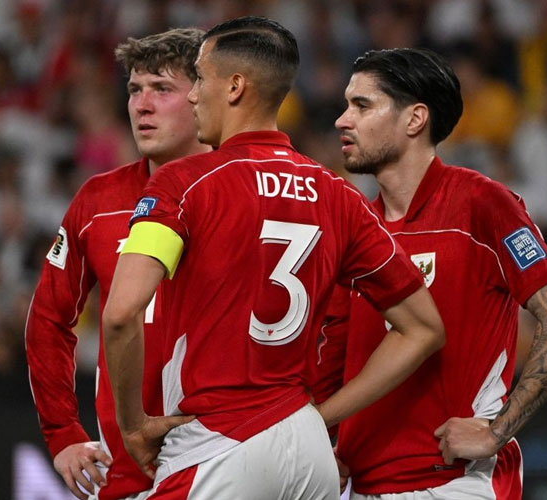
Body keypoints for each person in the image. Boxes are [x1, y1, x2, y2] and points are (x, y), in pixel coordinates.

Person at [102, 17, 445, 499]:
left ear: (236, 86)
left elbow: (120, 313)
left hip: (218, 441)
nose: (195, 95)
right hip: (306, 450)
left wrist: (132, 425)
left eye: (199, 78)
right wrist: (320, 418)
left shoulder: (184, 183)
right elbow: (424, 327)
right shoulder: (337, 194)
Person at [333, 48, 547, 499]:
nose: (341, 120)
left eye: (362, 105)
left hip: (453, 483)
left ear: (415, 119)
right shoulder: (354, 227)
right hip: (359, 485)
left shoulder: (481, 203)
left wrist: (498, 430)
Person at [24, 28, 210, 500]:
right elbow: (48, 318)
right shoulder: (98, 201)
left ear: (204, 96)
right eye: (133, 90)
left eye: (162, 89)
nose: (141, 105)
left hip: (227, 459)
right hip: (126, 473)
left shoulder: (243, 192)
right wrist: (62, 432)